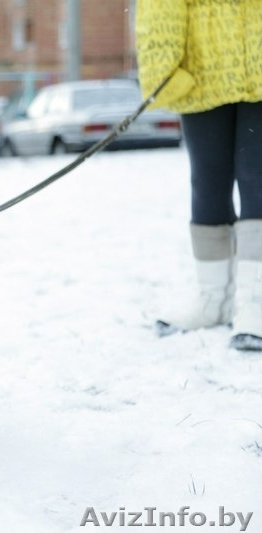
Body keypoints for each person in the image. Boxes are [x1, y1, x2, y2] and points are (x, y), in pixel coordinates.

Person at [135, 0, 262, 351]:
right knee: (207, 182)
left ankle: (256, 302)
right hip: (202, 68)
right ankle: (213, 298)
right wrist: (161, 68)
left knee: (257, 181)